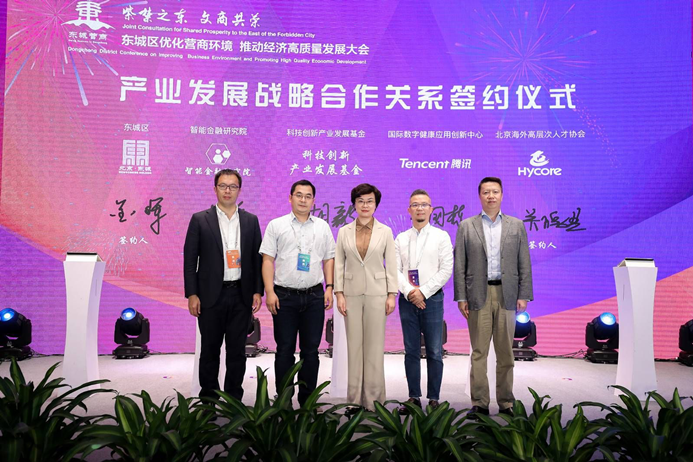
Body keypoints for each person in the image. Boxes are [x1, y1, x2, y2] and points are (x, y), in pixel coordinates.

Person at [454, 177, 533, 419]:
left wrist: (523, 294)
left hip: (506, 294)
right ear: (480, 196)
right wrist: (461, 297)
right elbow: (460, 264)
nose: (491, 196)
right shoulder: (467, 226)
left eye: (495, 192)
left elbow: (524, 262)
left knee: (505, 353)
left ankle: (506, 402)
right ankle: (479, 403)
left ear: (501, 195)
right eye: (486, 192)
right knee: (479, 352)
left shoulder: (516, 225)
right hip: (478, 294)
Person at [184, 169, 263, 401]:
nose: (228, 190)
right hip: (210, 297)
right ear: (215, 188)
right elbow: (190, 260)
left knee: (237, 352)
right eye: (223, 186)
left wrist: (257, 290)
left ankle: (233, 400)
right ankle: (208, 400)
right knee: (209, 351)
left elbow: (256, 259)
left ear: (239, 190)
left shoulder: (250, 221)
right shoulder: (200, 219)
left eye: (233, 186)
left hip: (241, 294)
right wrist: (192, 294)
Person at [260, 179, 336, 406]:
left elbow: (329, 259)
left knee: (310, 351)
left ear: (314, 200)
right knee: (284, 350)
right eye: (299, 195)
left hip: (314, 296)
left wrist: (329, 287)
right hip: (284, 297)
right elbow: (267, 260)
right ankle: (283, 400)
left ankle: (308, 401)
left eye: (308, 196)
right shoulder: (276, 225)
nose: (303, 200)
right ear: (290, 197)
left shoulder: (322, 226)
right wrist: (269, 291)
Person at [334, 183, 398, 413]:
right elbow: (339, 264)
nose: (365, 205)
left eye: (369, 201)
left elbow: (392, 264)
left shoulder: (385, 231)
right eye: (360, 201)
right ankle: (353, 401)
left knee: (374, 348)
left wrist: (392, 294)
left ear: (376, 204)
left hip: (377, 293)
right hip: (350, 294)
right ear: (354, 204)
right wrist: (339, 293)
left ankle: (373, 400)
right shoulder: (344, 231)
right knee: (354, 348)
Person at [394, 189, 453, 413]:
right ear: (409, 210)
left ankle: (434, 398)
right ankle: (414, 397)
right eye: (415, 205)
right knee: (411, 350)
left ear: (431, 209)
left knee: (435, 350)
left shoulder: (441, 236)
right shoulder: (401, 238)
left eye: (424, 205)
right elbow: (394, 270)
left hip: (432, 300)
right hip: (407, 300)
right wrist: (411, 292)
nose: (420, 208)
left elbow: (446, 269)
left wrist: (424, 292)